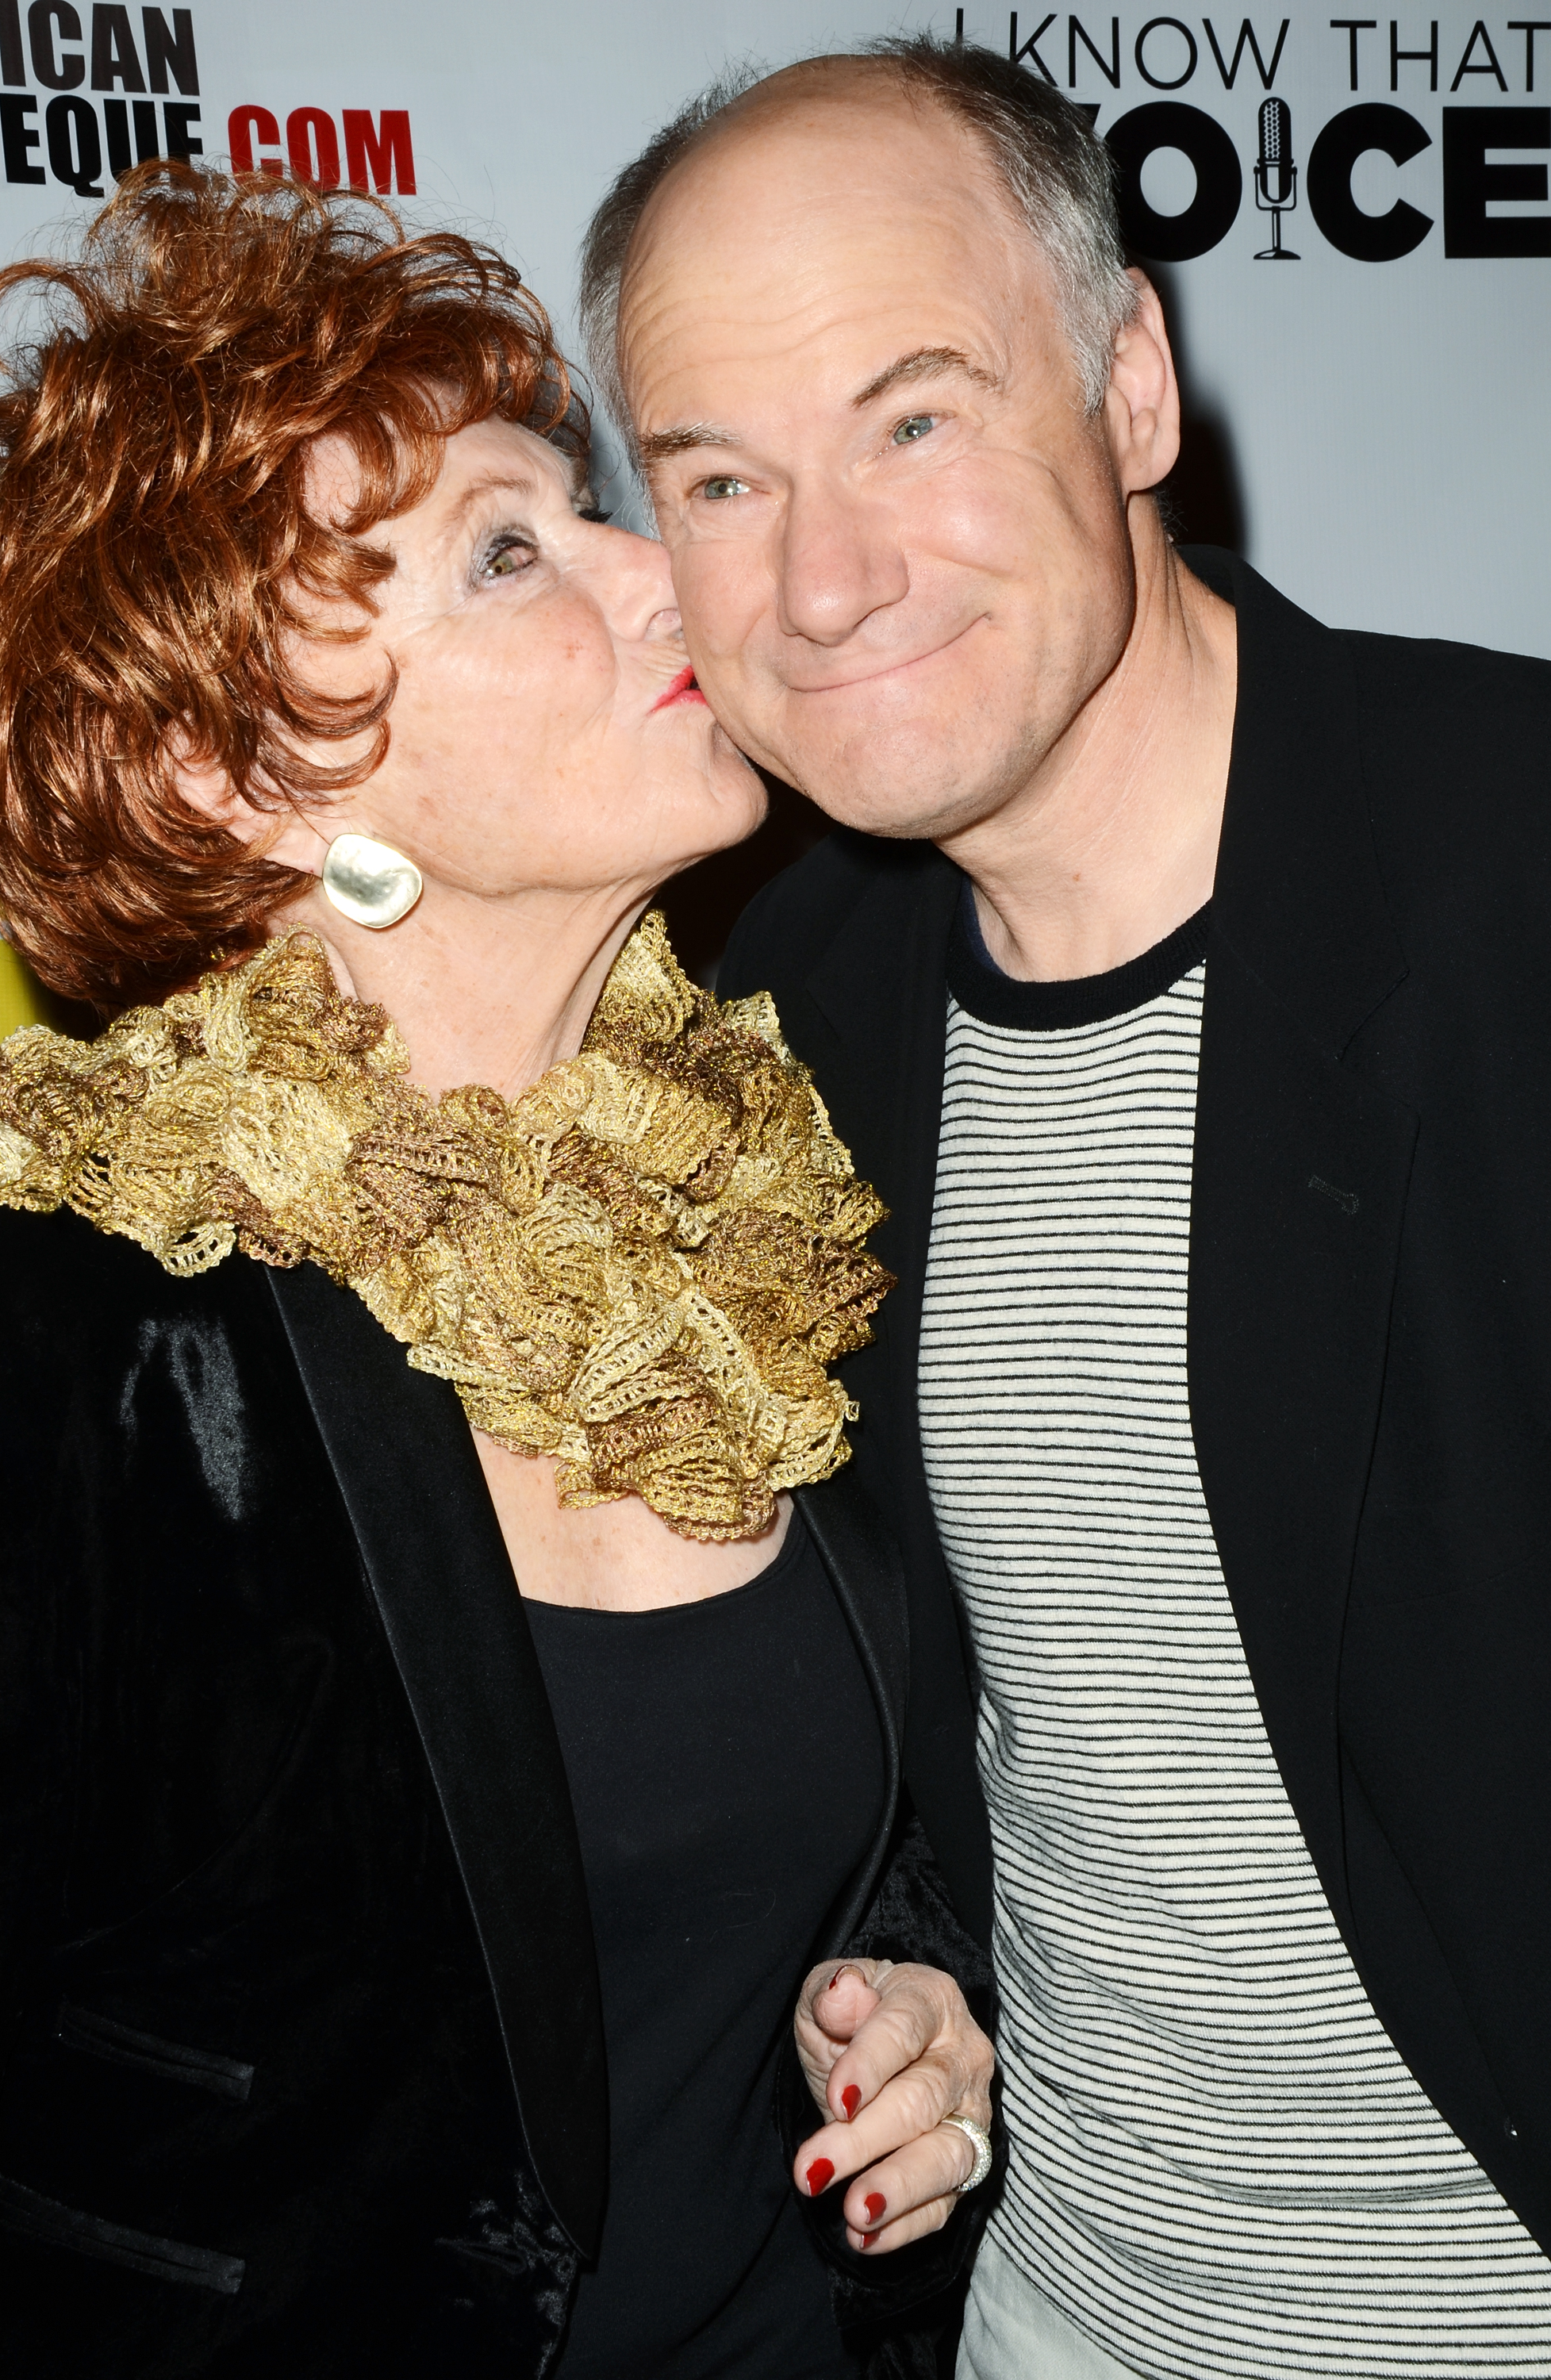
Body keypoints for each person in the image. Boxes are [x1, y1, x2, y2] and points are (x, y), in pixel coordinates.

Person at [582, 31, 1551, 2380]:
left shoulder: (1513, 875)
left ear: (1127, 386)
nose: (821, 579)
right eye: (718, 477)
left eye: (912, 419)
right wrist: (922, 1971)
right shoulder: (772, 1007)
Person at [0, 163, 998, 2380]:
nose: (666, 575)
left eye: (596, 505)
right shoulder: (77, 1340)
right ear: (238, 773)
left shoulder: (762, 1202)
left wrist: (909, 1992)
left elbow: (831, 1820)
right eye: (511, 550)